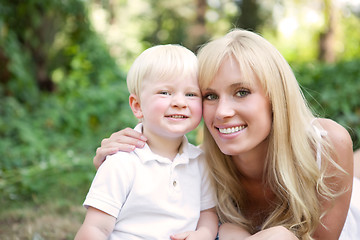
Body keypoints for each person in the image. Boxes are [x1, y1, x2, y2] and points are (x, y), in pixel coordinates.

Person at [92, 29, 357, 240]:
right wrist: (116, 159)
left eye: (241, 92)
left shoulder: (327, 144)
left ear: (275, 97)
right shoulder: (204, 166)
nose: (222, 112)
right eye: (210, 96)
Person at [75, 44, 218, 240]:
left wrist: (204, 234)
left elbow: (207, 213)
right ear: (137, 106)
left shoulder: (201, 162)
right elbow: (96, 228)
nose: (180, 102)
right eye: (165, 92)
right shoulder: (122, 161)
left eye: (191, 94)